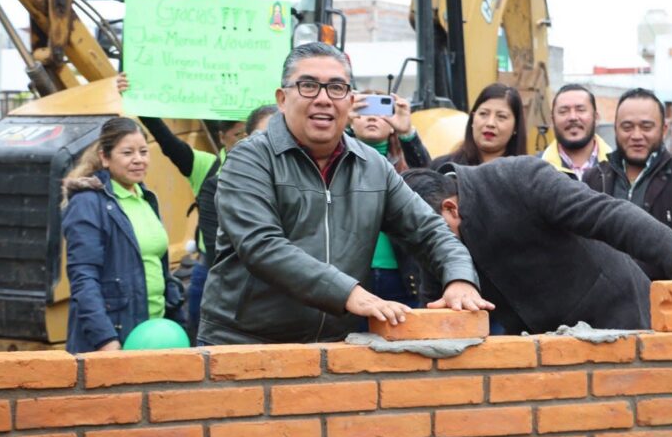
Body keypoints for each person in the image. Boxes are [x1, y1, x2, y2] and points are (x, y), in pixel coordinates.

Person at [197, 42, 493, 345]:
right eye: (309, 85)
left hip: (333, 347)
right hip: (243, 343)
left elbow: (429, 230)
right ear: (282, 99)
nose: (324, 99)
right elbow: (261, 244)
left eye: (336, 88)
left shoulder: (373, 167)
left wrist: (460, 279)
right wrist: (348, 293)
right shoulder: (250, 159)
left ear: (350, 101)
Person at [404, 159, 672, 335]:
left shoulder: (517, 178)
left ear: (450, 208)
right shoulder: (433, 235)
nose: (435, 249)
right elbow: (436, 308)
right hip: (545, 347)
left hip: (617, 319)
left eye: (435, 236)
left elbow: (608, 215)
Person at [117, 73, 251, 339]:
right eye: (238, 135)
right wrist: (138, 99)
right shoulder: (206, 166)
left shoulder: (274, 167)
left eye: (251, 133)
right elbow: (166, 141)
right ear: (223, 137)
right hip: (211, 270)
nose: (246, 140)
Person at [61, 117, 183, 353]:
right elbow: (83, 277)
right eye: (127, 153)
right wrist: (105, 339)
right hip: (115, 338)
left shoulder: (146, 199)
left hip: (154, 335)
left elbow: (159, 268)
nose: (138, 160)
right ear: (105, 158)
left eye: (144, 152)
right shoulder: (88, 203)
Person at [583, 88, 672, 279]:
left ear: (664, 129)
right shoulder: (594, 178)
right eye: (627, 127)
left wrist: (625, 275)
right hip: (603, 300)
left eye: (646, 127)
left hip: (663, 299)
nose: (636, 135)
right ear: (615, 129)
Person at [350, 91, 431, 306]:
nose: (372, 116)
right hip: (351, 279)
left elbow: (429, 182)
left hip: (403, 278)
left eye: (381, 109)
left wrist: (407, 133)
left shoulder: (404, 162)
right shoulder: (338, 160)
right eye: (362, 110)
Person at [430, 83, 526, 169]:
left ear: (515, 127)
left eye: (501, 116)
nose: (490, 123)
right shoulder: (443, 168)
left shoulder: (527, 176)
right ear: (472, 118)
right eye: (483, 114)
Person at [542, 83, 612, 180]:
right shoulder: (537, 169)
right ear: (552, 120)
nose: (573, 117)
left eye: (581, 110)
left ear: (596, 118)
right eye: (563, 111)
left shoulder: (619, 167)